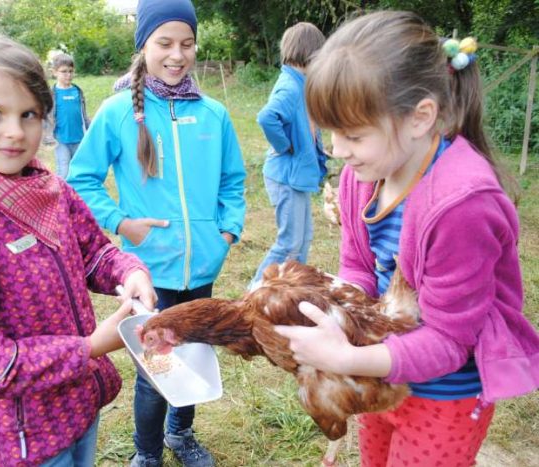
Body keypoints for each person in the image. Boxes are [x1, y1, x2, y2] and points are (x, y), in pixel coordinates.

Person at [274, 11, 539, 467]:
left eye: (352, 134)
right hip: (382, 373)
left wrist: (347, 358)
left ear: (420, 118)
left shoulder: (461, 207)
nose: (337, 150)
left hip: (445, 395)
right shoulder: (366, 173)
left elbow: (449, 342)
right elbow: (357, 265)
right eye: (331, 133)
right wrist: (341, 319)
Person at [0, 34, 157, 467]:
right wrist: (87, 349)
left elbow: (94, 252)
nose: (15, 131)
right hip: (26, 436)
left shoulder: (49, 189)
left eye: (29, 114)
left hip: (78, 403)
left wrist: (128, 270)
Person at [68, 0, 246, 464]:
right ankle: (146, 452)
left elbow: (233, 180)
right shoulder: (116, 112)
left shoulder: (215, 115)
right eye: (164, 43)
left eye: (187, 44)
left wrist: (226, 232)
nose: (177, 54)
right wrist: (121, 223)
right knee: (156, 369)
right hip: (151, 275)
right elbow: (81, 179)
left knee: (193, 357)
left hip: (202, 267)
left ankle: (180, 434)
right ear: (143, 45)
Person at [249, 22, 327, 288]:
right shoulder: (290, 87)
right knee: (289, 242)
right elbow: (267, 117)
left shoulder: (300, 83)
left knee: (303, 239)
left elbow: (306, 125)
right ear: (311, 52)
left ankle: (292, 291)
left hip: (298, 176)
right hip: (285, 177)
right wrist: (284, 146)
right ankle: (255, 292)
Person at [51, 52, 89, 178]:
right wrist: (47, 135)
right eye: (64, 71)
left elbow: (84, 114)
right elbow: (47, 117)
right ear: (55, 72)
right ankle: (62, 195)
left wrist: (89, 130)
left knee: (78, 169)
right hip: (61, 139)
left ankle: (76, 195)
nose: (68, 75)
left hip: (78, 138)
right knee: (64, 169)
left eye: (71, 71)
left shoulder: (77, 91)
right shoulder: (52, 94)